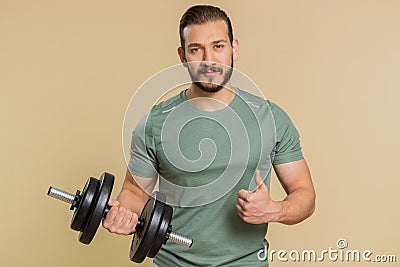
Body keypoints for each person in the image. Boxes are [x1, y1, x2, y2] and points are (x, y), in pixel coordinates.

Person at [103, 5, 315, 267]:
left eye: (218, 46)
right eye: (196, 49)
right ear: (182, 55)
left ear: (233, 48)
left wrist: (276, 209)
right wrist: (122, 215)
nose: (209, 59)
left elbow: (304, 194)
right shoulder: (154, 123)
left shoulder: (269, 118)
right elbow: (134, 193)